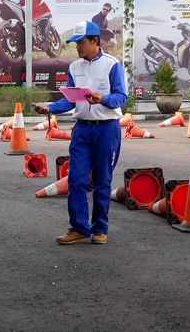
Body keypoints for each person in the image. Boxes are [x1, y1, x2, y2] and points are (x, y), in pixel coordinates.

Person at [33, 20, 126, 245]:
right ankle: (79, 228)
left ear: (95, 41)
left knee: (102, 181)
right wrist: (50, 107)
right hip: (82, 130)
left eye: (80, 42)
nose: (77, 47)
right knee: (76, 180)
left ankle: (100, 230)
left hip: (106, 129)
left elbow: (121, 97)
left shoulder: (113, 65)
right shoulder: (75, 67)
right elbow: (70, 101)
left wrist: (102, 98)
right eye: (75, 43)